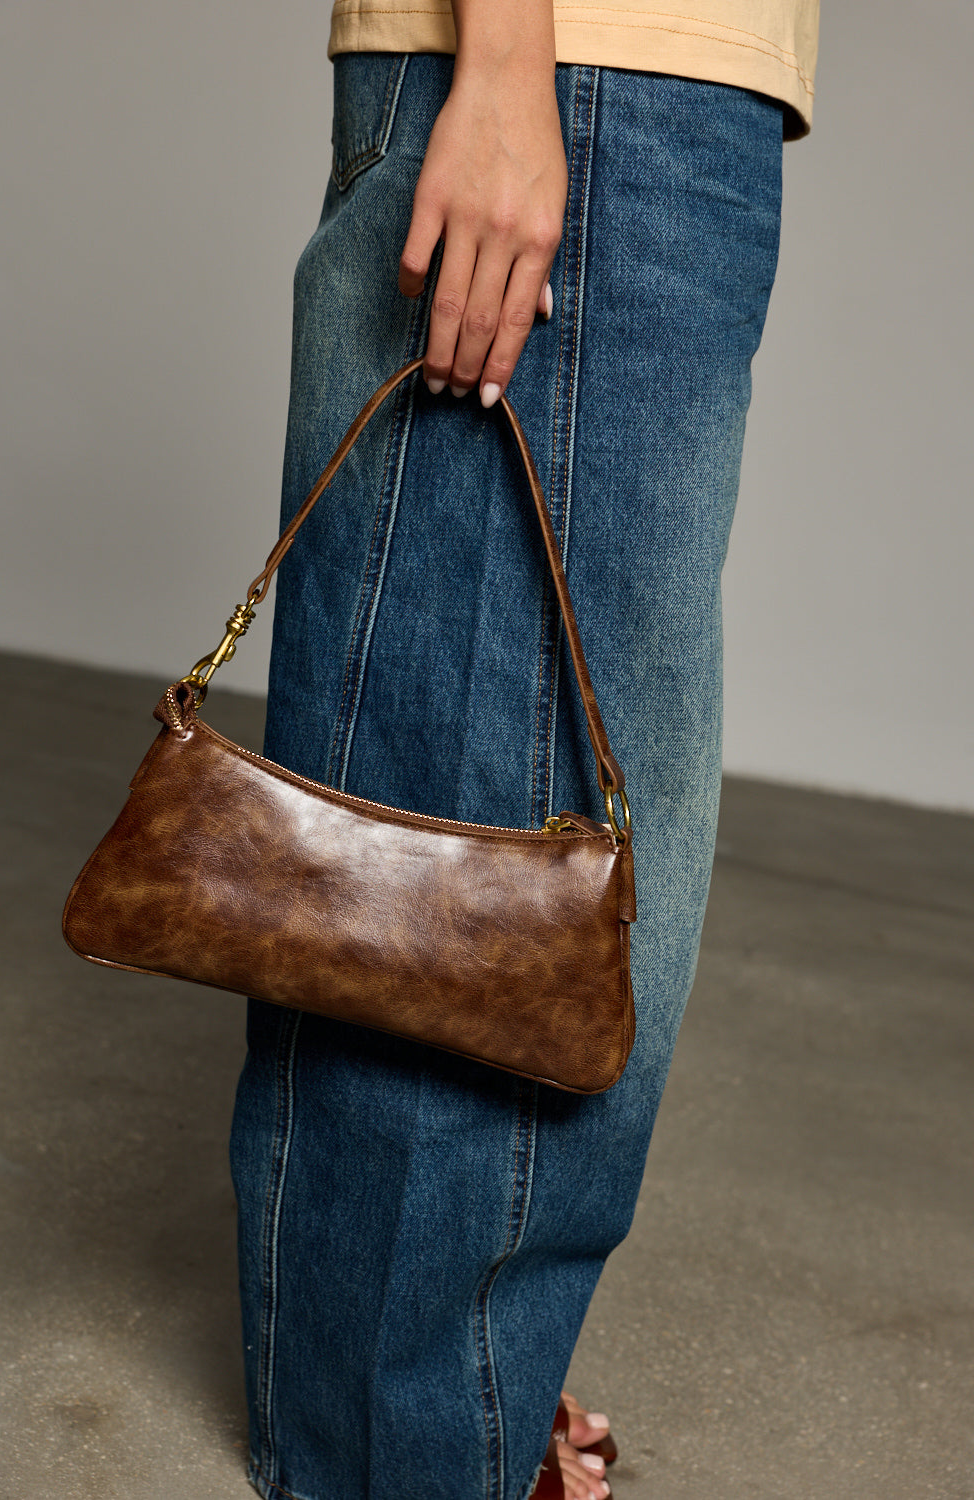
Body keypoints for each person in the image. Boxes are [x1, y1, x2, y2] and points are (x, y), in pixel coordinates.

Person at [228, 3, 820, 1497]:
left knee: (520, 808)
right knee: (488, 854)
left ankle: (443, 1391)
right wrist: (505, 68)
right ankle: (411, 1448)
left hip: (641, 80)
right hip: (587, 70)